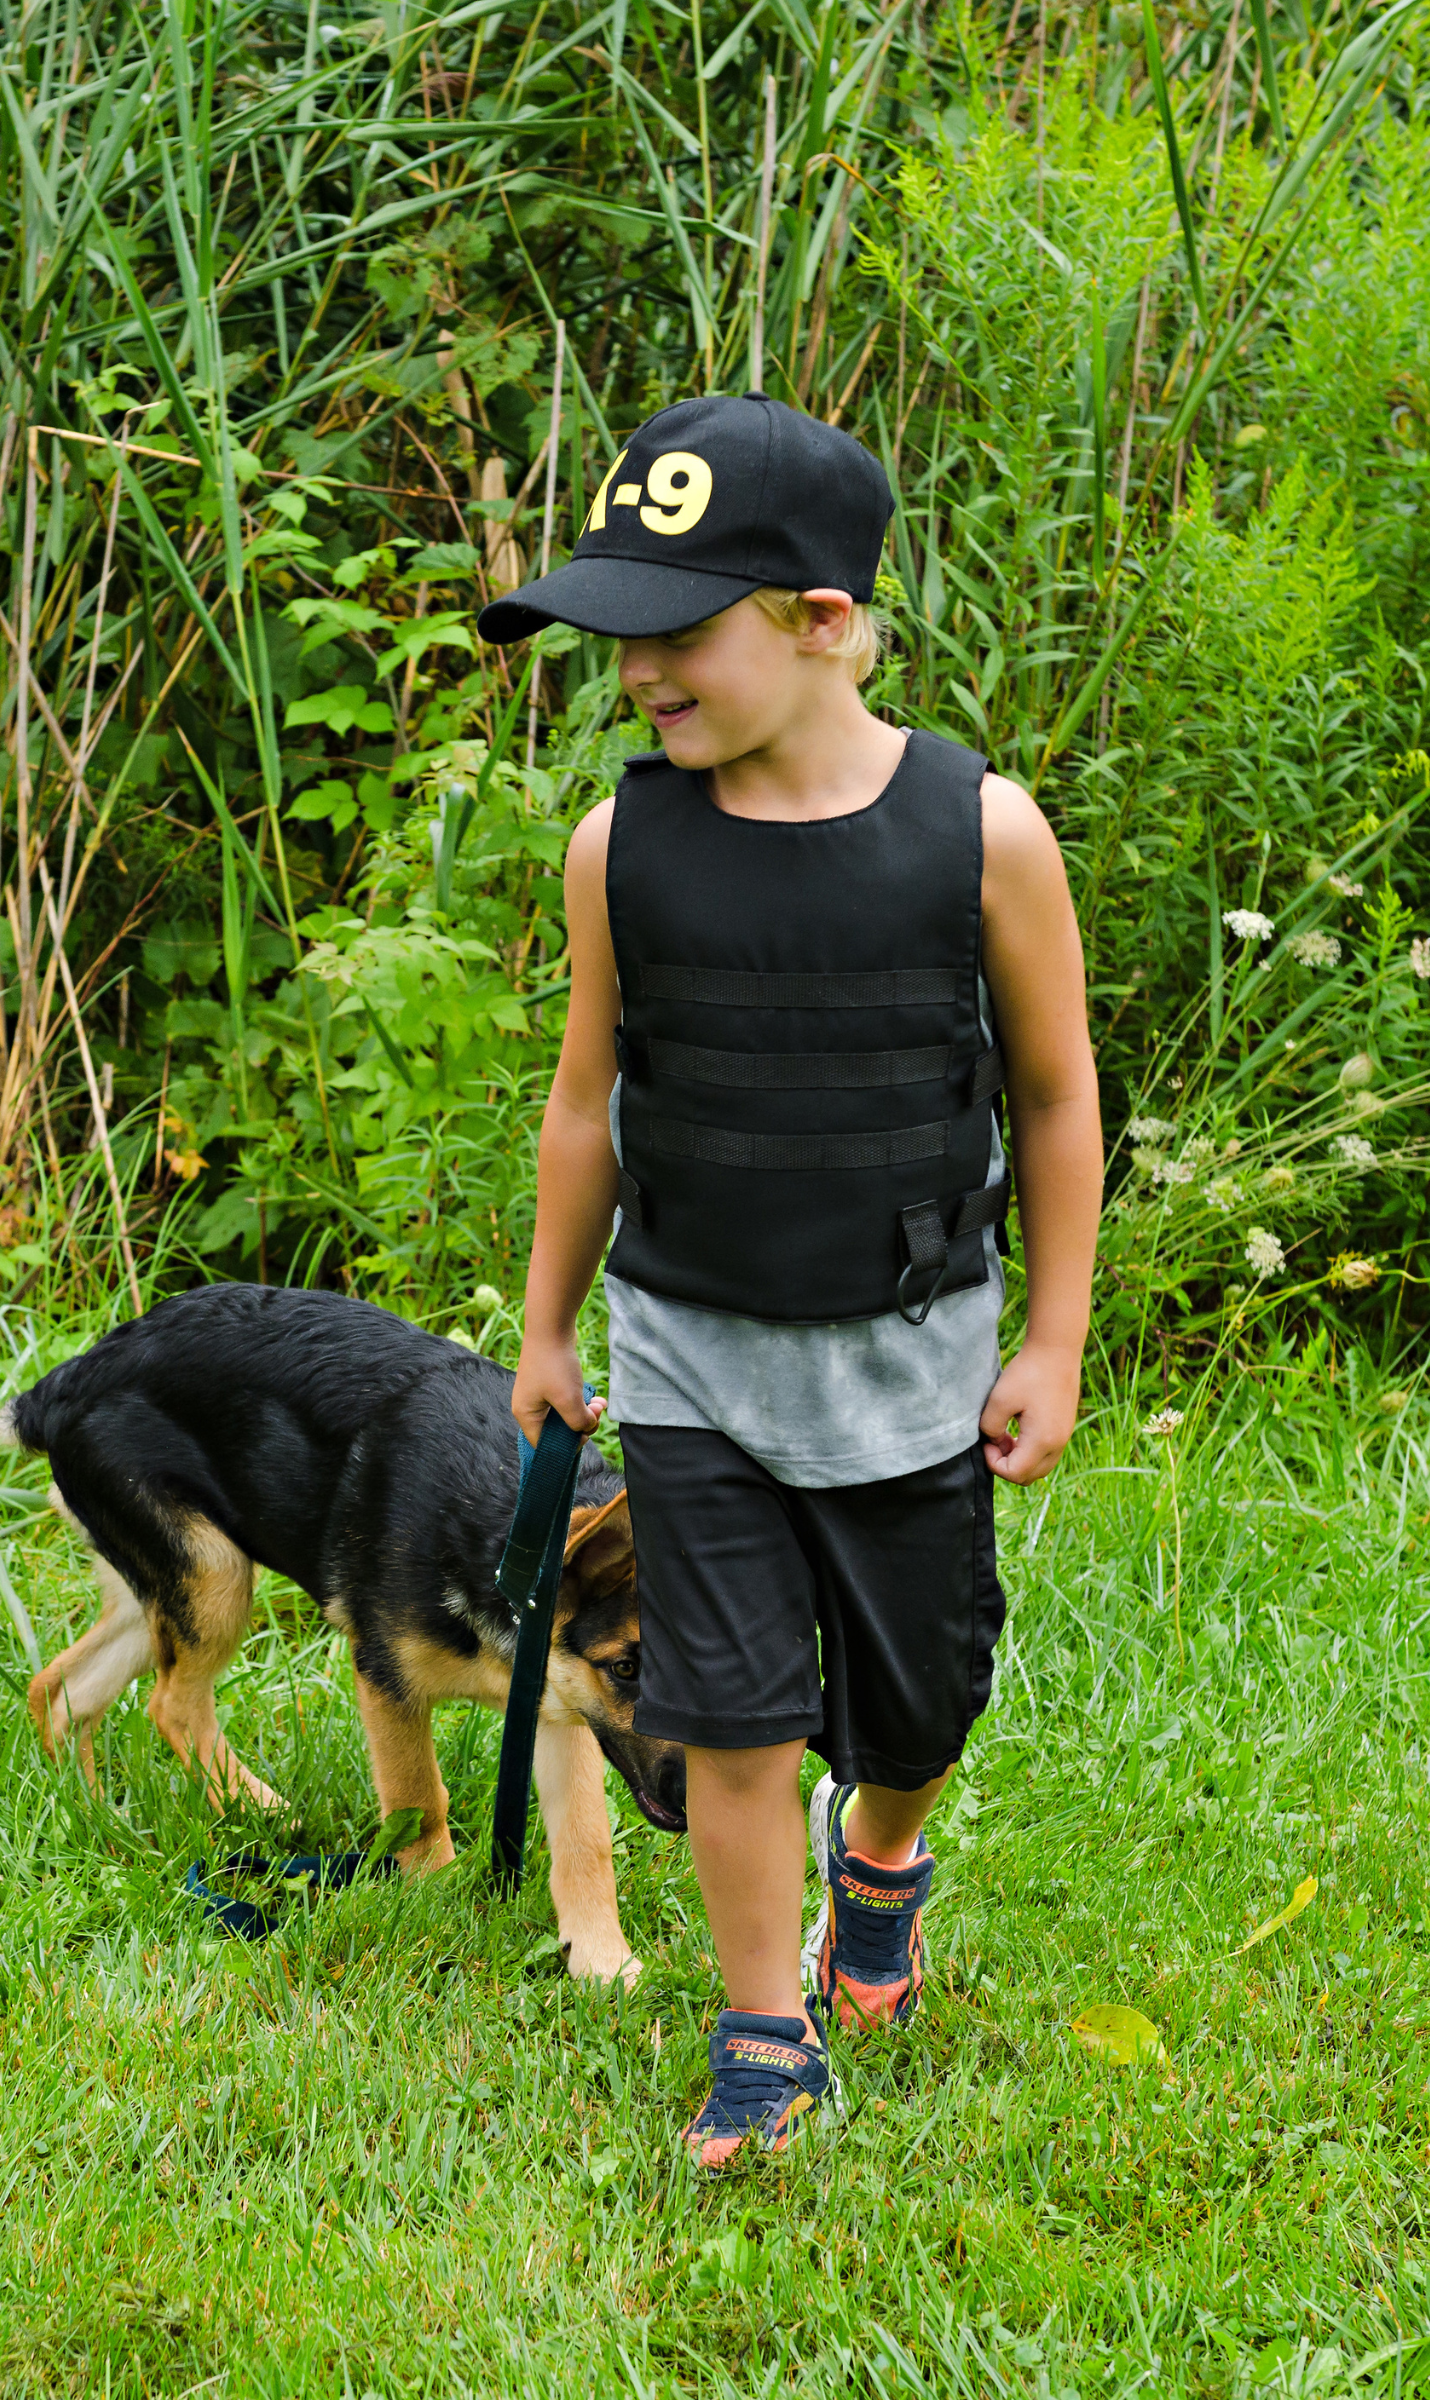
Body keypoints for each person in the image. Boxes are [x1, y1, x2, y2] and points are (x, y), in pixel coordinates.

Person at [478, 393, 1102, 2168]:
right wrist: (547, 1322)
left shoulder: (982, 834)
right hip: (694, 1363)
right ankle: (765, 2031)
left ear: (823, 620)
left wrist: (1053, 1339)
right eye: (618, 643)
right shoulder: (622, 848)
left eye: (675, 636)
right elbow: (586, 1104)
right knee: (730, 1710)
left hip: (911, 1367)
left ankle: (879, 1864)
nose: (636, 678)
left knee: (921, 1702)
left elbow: (1057, 1097)